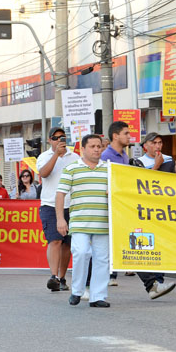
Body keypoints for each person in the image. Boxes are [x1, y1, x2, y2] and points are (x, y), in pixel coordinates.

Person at [56, 134, 111, 308]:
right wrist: (60, 219)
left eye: (99, 146)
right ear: (83, 149)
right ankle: (77, 291)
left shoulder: (110, 169)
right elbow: (60, 195)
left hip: (104, 223)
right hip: (79, 222)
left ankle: (98, 296)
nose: (97, 149)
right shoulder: (72, 168)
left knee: (102, 259)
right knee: (81, 253)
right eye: (93, 146)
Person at [132, 132, 176, 300]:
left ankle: (158, 279)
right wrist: (156, 167)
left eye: (160, 143)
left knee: (161, 243)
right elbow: (142, 183)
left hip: (163, 208)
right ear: (146, 146)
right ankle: (152, 280)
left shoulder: (168, 160)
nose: (158, 146)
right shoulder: (138, 162)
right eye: (154, 143)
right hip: (145, 209)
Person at [37, 126, 79, 292]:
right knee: (54, 240)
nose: (60, 140)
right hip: (50, 204)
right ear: (49, 140)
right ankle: (53, 276)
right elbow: (44, 174)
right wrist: (56, 154)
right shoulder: (44, 156)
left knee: (66, 244)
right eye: (55, 138)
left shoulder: (75, 157)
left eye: (62, 137)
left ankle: (62, 277)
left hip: (71, 204)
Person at [101, 121, 134, 286]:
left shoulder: (125, 156)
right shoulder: (106, 157)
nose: (129, 136)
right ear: (115, 136)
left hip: (122, 205)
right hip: (109, 206)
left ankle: (112, 272)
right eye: (126, 133)